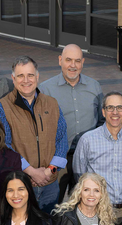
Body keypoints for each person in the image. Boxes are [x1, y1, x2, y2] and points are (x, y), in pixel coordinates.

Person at [0, 57, 68, 210]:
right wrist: (32, 172)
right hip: (19, 186)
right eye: (20, 76)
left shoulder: (52, 104)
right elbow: (3, 146)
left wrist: (48, 171)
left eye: (30, 75)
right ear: (13, 79)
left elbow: (62, 140)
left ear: (37, 77)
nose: (26, 80)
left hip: (50, 185)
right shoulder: (2, 107)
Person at [41, 43, 103, 197]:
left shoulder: (94, 86)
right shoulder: (45, 90)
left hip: (87, 159)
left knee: (85, 203)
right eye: (68, 60)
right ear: (60, 60)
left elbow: (102, 121)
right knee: (53, 203)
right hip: (57, 159)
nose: (73, 65)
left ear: (83, 62)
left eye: (77, 61)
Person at [72, 91, 122, 217]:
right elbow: (80, 176)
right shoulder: (88, 139)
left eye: (119, 108)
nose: (115, 112)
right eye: (110, 107)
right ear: (103, 112)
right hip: (97, 211)